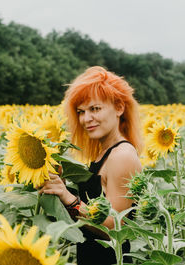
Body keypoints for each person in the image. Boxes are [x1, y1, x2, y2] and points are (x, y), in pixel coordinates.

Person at [38, 66, 143, 265]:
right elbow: (93, 202)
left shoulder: (121, 156)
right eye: (81, 111)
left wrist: (67, 197)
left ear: (119, 108)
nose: (86, 119)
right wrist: (61, 185)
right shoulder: (104, 152)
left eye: (95, 109)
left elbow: (115, 230)